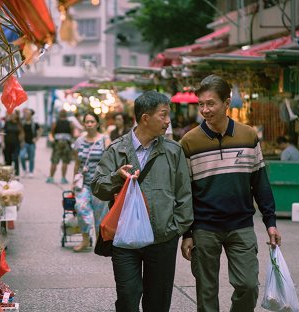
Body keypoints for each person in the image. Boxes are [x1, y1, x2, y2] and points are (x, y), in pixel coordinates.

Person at [179, 74, 282, 312]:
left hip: (241, 225)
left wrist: (271, 222)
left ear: (227, 102)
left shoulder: (248, 136)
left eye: (211, 103)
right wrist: (187, 233)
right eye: (201, 104)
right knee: (206, 292)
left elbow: (260, 183)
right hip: (204, 228)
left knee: (248, 285)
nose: (205, 110)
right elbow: (185, 193)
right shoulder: (189, 142)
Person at [91, 91, 193, 312]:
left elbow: (184, 194)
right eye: (163, 115)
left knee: (158, 302)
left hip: (162, 238)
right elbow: (98, 188)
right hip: (125, 239)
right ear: (145, 118)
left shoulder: (173, 151)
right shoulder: (117, 149)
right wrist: (116, 177)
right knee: (128, 296)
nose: (168, 121)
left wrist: (177, 229)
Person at [72, 112, 110, 252]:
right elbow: (77, 163)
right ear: (83, 124)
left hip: (100, 184)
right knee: (81, 207)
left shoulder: (104, 140)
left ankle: (100, 241)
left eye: (92, 122)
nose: (89, 124)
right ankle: (85, 239)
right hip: (84, 183)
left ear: (97, 124)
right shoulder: (79, 141)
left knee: (101, 215)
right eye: (87, 122)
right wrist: (73, 181)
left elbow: (109, 162)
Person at [47, 110, 74, 184]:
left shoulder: (55, 123)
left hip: (57, 143)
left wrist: (53, 140)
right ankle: (63, 178)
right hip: (66, 143)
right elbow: (72, 134)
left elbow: (52, 133)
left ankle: (51, 177)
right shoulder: (70, 123)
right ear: (66, 115)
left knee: (54, 161)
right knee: (65, 161)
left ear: (59, 115)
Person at [20, 108, 41, 178]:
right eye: (25, 113)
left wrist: (37, 138)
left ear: (31, 115)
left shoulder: (34, 124)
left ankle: (31, 172)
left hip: (32, 143)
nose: (26, 115)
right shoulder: (22, 123)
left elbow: (40, 130)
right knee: (22, 156)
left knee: (31, 158)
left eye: (28, 114)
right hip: (24, 143)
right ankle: (24, 170)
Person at [3, 111, 24, 176]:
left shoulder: (19, 123)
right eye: (11, 114)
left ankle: (17, 174)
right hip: (7, 143)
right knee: (8, 159)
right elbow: (3, 132)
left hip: (16, 144)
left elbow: (22, 133)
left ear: (16, 116)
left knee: (15, 158)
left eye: (14, 115)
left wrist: (22, 141)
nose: (12, 116)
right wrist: (2, 142)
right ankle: (8, 174)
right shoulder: (7, 123)